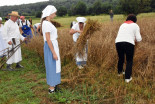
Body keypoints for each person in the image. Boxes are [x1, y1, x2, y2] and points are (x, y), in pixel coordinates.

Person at [115, 14, 142, 83]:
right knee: (129, 60)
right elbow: (139, 39)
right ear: (135, 20)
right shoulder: (135, 25)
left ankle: (119, 73)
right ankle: (127, 78)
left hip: (118, 42)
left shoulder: (122, 25)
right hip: (129, 43)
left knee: (121, 58)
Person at [41, 5, 61, 93]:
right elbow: (48, 39)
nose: (55, 15)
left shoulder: (48, 23)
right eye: (54, 13)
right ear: (50, 13)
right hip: (50, 47)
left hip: (53, 45)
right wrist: (53, 52)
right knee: (52, 66)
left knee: (55, 66)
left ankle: (55, 85)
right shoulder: (46, 23)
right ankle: (51, 89)